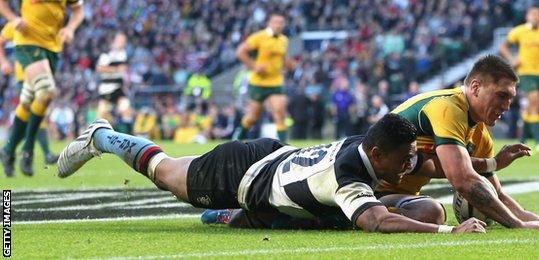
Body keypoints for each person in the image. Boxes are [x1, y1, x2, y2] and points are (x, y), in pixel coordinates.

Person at [57, 114, 488, 234]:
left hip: (280, 172)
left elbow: (409, 184)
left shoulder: (371, 146)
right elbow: (374, 219)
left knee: (422, 209)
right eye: (405, 158)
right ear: (378, 153)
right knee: (166, 175)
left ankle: (232, 218)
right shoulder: (349, 175)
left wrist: (480, 168)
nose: (410, 164)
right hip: (246, 171)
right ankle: (103, 137)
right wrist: (449, 233)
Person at [384, 54, 539, 229]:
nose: (507, 106)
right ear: (475, 87)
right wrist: (518, 225)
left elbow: (496, 192)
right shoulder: (447, 107)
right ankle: (364, 215)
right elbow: (462, 179)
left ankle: (380, 216)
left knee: (430, 211)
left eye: (510, 99)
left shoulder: (480, 135)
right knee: (431, 212)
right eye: (501, 95)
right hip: (367, 186)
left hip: (400, 195)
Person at [0, 0, 84, 175]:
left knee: (29, 103)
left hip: (52, 48)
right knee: (46, 93)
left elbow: (77, 10)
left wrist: (70, 28)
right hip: (27, 43)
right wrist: (13, 18)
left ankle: (8, 151)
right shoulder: (13, 27)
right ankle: (28, 150)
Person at [0, 23, 59, 177]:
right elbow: (1, 41)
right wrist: (4, 62)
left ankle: (9, 151)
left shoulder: (45, 25)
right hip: (24, 75)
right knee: (34, 112)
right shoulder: (16, 24)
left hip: (40, 70)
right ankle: (29, 152)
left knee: (34, 113)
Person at [500, 6, 539, 154]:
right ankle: (538, 141)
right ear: (527, 17)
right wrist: (512, 59)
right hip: (525, 72)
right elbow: (503, 46)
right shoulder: (519, 31)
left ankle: (523, 140)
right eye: (533, 15)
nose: (536, 17)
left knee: (532, 106)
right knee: (535, 102)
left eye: (538, 15)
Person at [232, 12, 291, 142]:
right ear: (269, 23)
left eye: (281, 23)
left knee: (280, 113)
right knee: (252, 117)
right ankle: (236, 140)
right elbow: (240, 52)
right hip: (258, 83)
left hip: (275, 82)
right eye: (276, 22)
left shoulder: (284, 40)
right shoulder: (258, 37)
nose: (279, 25)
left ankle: (285, 148)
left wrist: (287, 65)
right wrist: (254, 66)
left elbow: (282, 58)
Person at [96, 32, 132, 134]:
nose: (123, 43)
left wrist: (125, 84)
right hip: (107, 87)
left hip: (119, 88)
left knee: (126, 110)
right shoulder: (107, 53)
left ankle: (129, 137)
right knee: (102, 114)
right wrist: (116, 69)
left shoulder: (124, 54)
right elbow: (99, 68)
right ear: (114, 41)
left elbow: (124, 71)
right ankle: (96, 135)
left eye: (124, 41)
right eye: (120, 40)